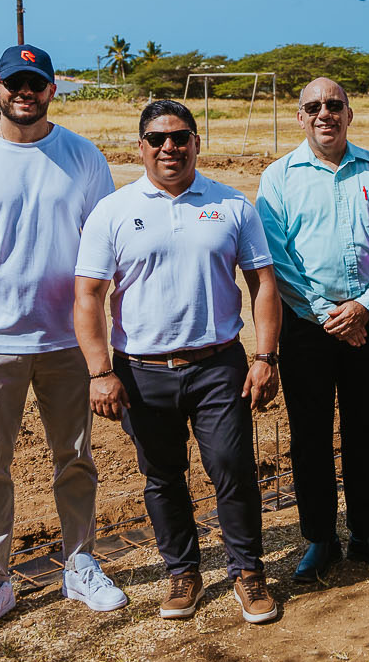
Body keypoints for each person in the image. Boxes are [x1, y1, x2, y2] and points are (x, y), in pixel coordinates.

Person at [0, 44, 128, 640]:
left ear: (52, 89)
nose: (25, 92)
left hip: (67, 339)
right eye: (15, 83)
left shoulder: (83, 158)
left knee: (75, 457)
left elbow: (101, 245)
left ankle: (80, 564)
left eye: (36, 83)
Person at [72, 100, 285, 626]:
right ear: (140, 146)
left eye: (180, 137)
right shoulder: (113, 211)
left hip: (218, 366)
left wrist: (265, 356)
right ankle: (183, 571)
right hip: (141, 372)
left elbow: (263, 283)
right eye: (157, 138)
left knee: (233, 468)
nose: (169, 147)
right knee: (163, 476)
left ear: (196, 142)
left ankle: (247, 571)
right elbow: (88, 296)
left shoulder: (231, 204)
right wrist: (100, 372)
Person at [256, 77, 369, 583]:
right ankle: (319, 539)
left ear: (349, 113)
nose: (324, 113)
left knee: (368, 431)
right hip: (307, 327)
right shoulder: (278, 178)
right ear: (299, 117)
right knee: (310, 437)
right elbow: (278, 260)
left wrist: (364, 306)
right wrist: (329, 314)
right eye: (313, 107)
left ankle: (367, 532)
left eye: (333, 105)